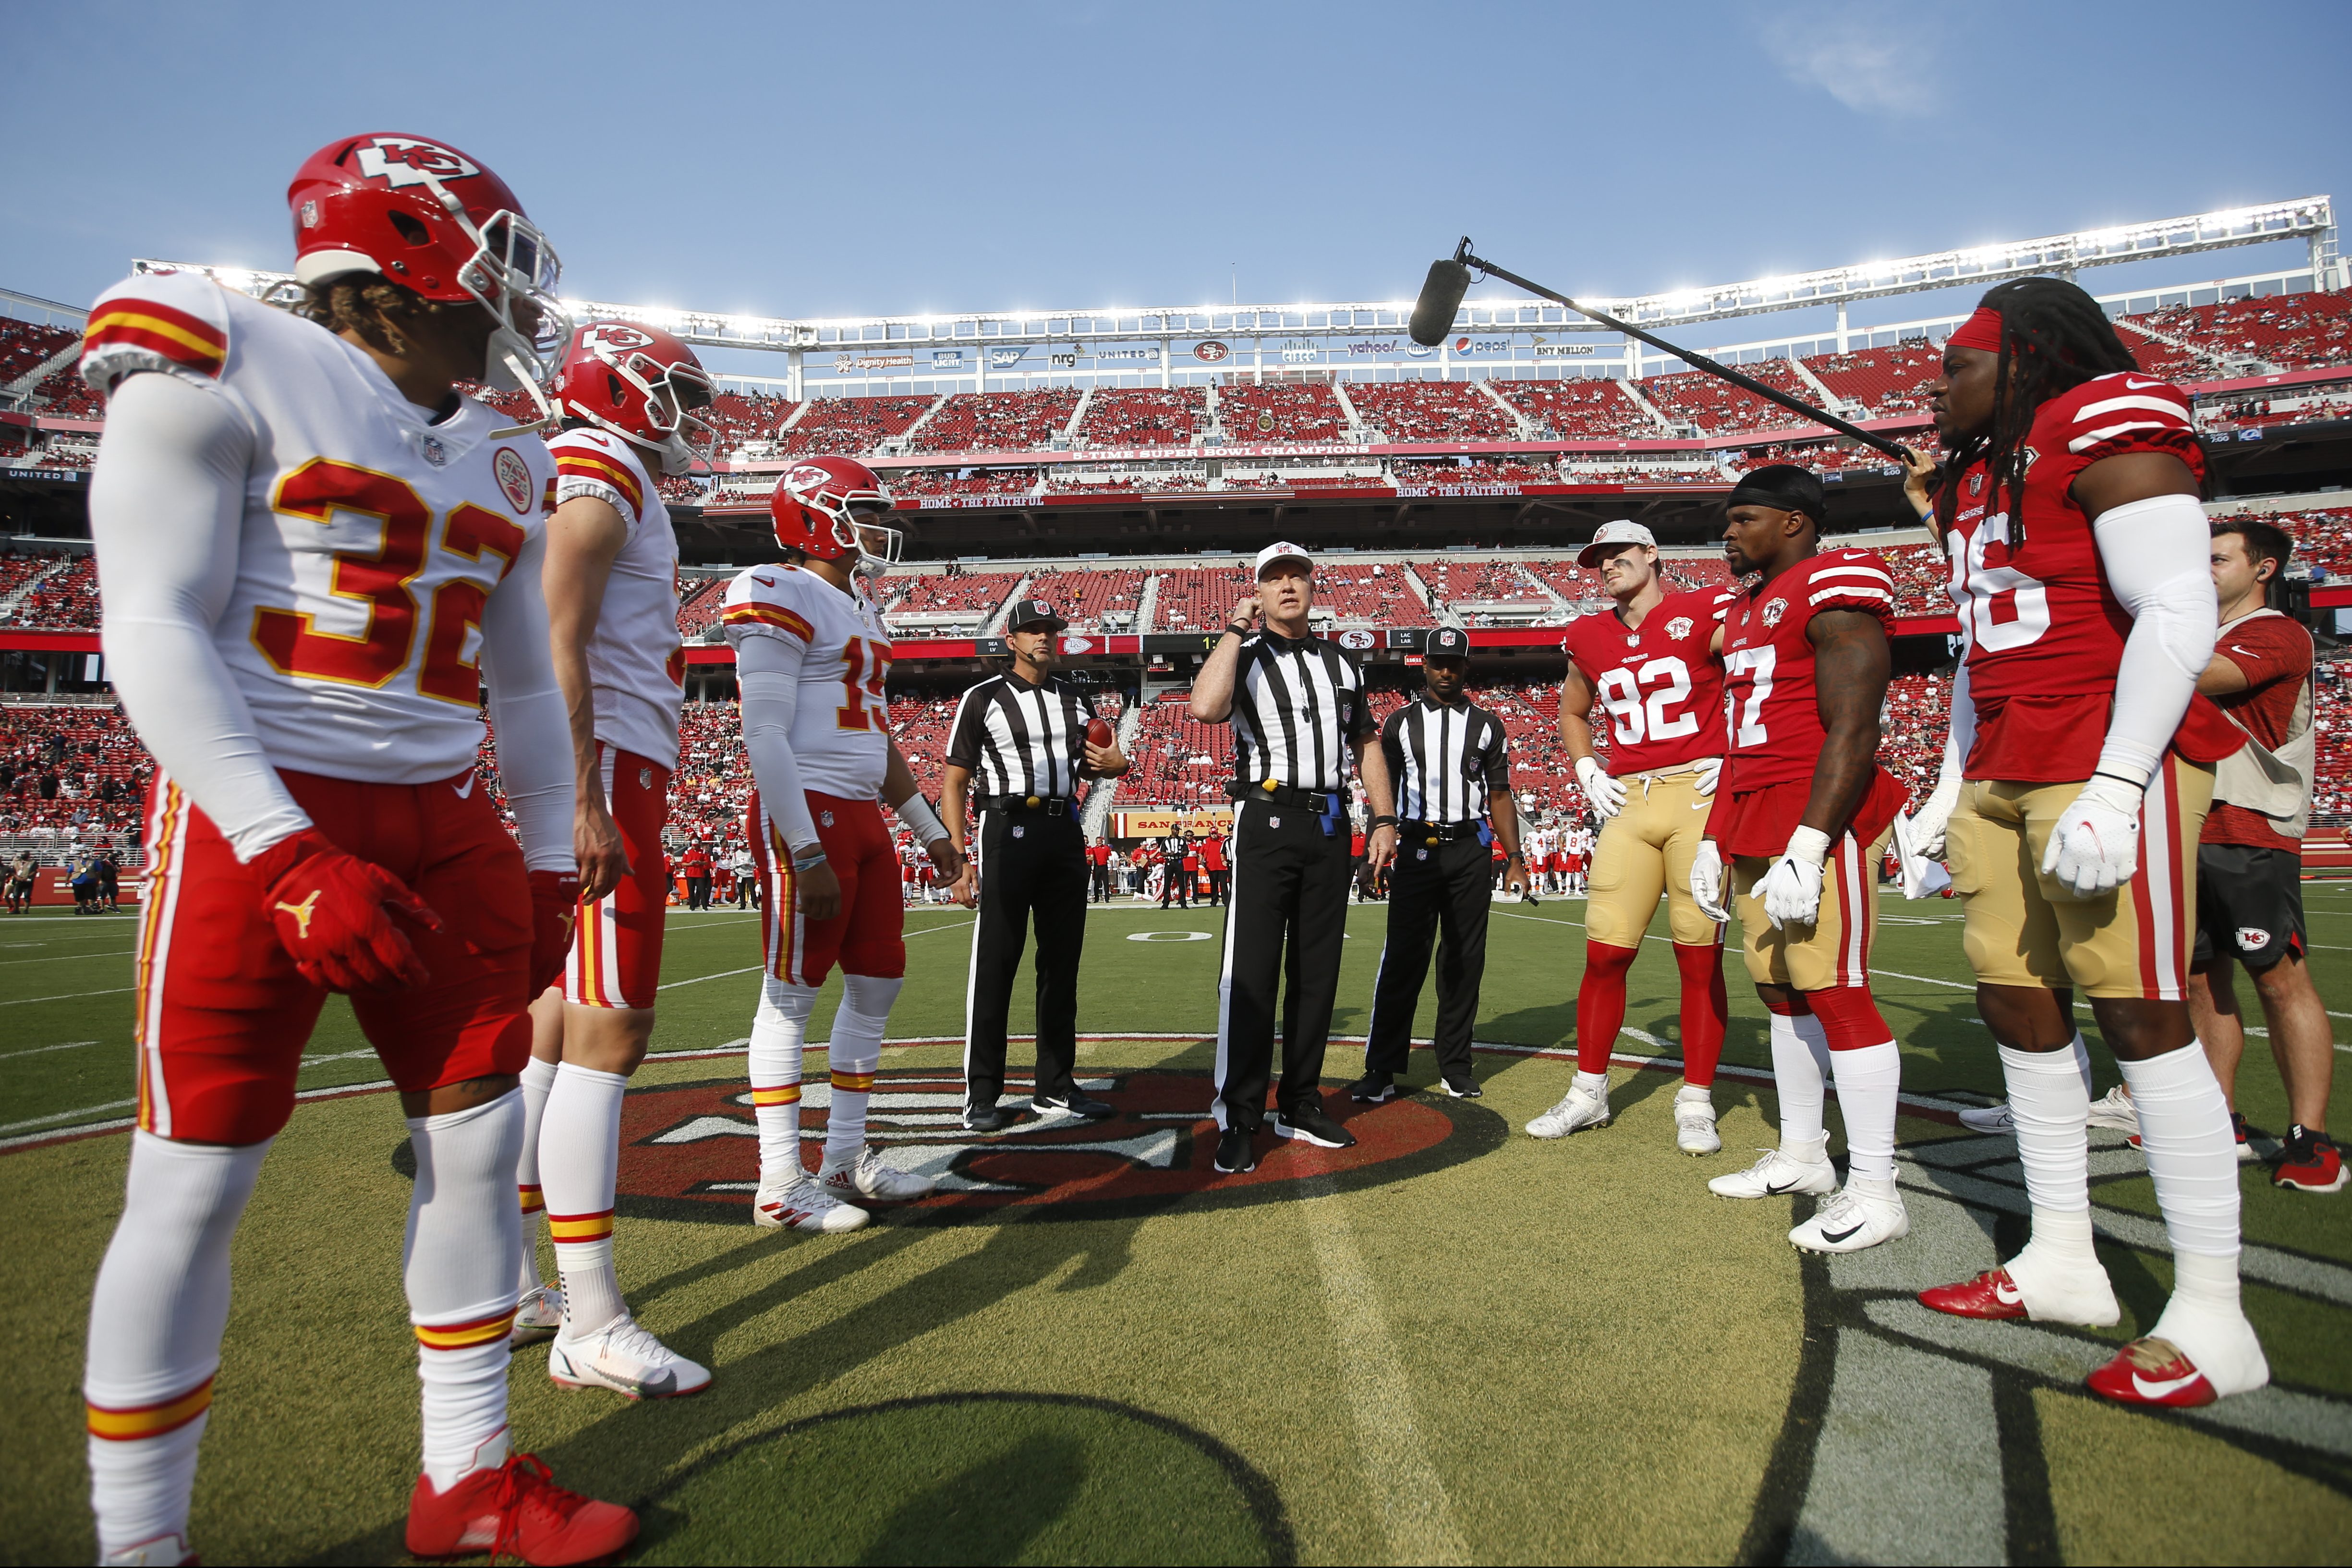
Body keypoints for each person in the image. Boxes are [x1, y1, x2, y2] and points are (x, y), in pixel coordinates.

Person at [75, 134, 631, 1565]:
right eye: (496, 263)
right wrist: (278, 847)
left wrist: (548, 846)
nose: (514, 302)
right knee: (194, 1176)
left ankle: (468, 1478)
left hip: (444, 815)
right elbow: (147, 616)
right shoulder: (217, 345)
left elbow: (519, 679)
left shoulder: (508, 449)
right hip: (262, 809)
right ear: (405, 254)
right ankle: (140, 1542)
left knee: (474, 1138)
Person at [1901, 280, 2268, 1408]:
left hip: (2099, 755)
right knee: (2012, 996)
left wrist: (2117, 780)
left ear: (2020, 361)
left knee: (2142, 1013)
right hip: (2005, 758)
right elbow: (1974, 649)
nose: (1932, 384)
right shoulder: (1978, 476)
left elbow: (2170, 603)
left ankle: (2214, 1314)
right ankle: (2060, 1256)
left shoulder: (2104, 415)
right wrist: (1943, 786)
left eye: (1954, 366)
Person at [509, 319, 716, 1401]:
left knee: (551, 1019)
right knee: (610, 1026)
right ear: (625, 388)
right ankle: (589, 1316)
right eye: (676, 392)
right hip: (606, 764)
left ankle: (508, 1278)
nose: (691, 416)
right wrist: (586, 793)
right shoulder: (602, 462)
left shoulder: (595, 463)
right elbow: (559, 621)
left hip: (595, 761)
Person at [729, 456, 966, 1232]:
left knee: (877, 982)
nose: (874, 525)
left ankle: (842, 1159)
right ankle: (776, 1182)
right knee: (791, 995)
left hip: (862, 812)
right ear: (814, 515)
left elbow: (877, 735)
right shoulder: (778, 589)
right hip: (812, 810)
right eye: (858, 510)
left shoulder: (858, 603)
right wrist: (801, 846)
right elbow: (762, 729)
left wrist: (928, 830)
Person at [1687, 465, 1912, 1253]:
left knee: (1836, 990)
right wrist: (1716, 837)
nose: (1728, 533)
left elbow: (1854, 726)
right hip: (1755, 809)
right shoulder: (1745, 606)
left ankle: (1877, 1190)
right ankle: (1803, 1154)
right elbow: (1736, 735)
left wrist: (1812, 843)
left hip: (1813, 809)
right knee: (1779, 990)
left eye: (1744, 518)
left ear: (1793, 522)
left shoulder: (1831, 582)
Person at [1189, 541, 1398, 1172]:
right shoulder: (1244, 654)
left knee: (1317, 973)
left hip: (1329, 824)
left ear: (1312, 586)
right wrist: (1233, 625)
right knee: (1251, 975)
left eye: (1297, 576)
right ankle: (1238, 1113)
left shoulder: (1342, 662)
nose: (1287, 586)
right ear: (1257, 588)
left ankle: (1301, 1100)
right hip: (1265, 817)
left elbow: (1365, 742)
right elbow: (1204, 707)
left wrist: (1382, 818)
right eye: (1273, 578)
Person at [1530, 520, 1736, 1154]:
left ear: (1652, 554)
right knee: (1605, 951)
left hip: (1699, 793)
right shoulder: (1588, 634)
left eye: (1619, 554)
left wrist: (1733, 766)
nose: (1607, 566)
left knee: (1697, 956)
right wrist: (1586, 764)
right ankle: (1589, 1090)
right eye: (1599, 560)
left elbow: (1755, 679)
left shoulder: (1705, 609)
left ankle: (1696, 1098)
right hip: (1630, 799)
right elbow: (1572, 708)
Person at [2186, 519, 2339, 1191]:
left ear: (2263, 570)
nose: (2203, 567)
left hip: (2247, 826)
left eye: (2217, 557)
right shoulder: (2202, 630)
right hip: (2185, 826)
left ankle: (2311, 1137)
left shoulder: (2275, 632)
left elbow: (2208, 676)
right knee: (2199, 980)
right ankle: (2217, 1116)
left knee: (2277, 978)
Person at [942, 598, 1129, 1129]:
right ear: (1011, 639)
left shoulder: (1075, 698)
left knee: (1060, 964)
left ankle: (1055, 1086)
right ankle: (982, 1094)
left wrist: (1120, 762)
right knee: (997, 962)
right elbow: (954, 779)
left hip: (1063, 829)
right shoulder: (984, 698)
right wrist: (957, 857)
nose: (1044, 637)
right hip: (1007, 827)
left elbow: (1108, 759)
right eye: (1033, 630)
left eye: (1050, 630)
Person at [1352, 626, 1525, 1102]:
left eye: (1454, 663)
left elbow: (1499, 793)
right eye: (1437, 662)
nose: (1445, 670)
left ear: (1464, 667)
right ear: (1423, 665)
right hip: (1415, 848)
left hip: (1469, 849)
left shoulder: (1488, 724)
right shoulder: (1399, 724)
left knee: (1463, 961)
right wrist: (1373, 848)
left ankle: (1455, 1064)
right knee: (1403, 960)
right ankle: (1381, 1068)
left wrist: (1514, 857)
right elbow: (1381, 794)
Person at [1157, 825, 1191, 908]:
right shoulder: (1166, 841)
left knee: (1182, 883)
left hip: (1179, 862)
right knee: (1167, 884)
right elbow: (1162, 852)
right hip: (1169, 862)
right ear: (1172, 830)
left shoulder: (1182, 840)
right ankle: (1165, 903)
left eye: (1178, 830)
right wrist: (1169, 854)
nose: (1177, 832)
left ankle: (1183, 902)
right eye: (1176, 830)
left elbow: (1186, 851)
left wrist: (1180, 854)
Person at [681, 839, 712, 910]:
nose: (695, 847)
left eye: (696, 846)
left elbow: (706, 862)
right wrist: (690, 864)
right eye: (694, 846)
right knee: (691, 890)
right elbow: (683, 863)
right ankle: (692, 906)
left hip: (700, 874)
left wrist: (699, 862)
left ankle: (704, 906)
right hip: (690, 874)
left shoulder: (703, 852)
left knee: (702, 890)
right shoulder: (687, 852)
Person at [1200, 828, 1228, 907]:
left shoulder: (1223, 840)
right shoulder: (1206, 841)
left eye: (1215, 833)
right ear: (1210, 834)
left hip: (1222, 867)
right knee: (1214, 885)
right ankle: (1214, 901)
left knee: (1223, 885)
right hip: (1211, 867)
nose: (1214, 835)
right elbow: (1201, 853)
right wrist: (1201, 861)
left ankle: (1226, 901)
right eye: (1212, 834)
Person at [1086, 835, 1114, 903]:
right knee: (1096, 883)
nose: (1099, 843)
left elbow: (1110, 858)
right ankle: (1096, 898)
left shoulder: (1106, 848)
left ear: (1102, 841)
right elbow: (1091, 858)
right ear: (1096, 842)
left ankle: (1107, 898)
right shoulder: (1094, 849)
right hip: (1097, 867)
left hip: (1104, 867)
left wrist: (1111, 867)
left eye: (1100, 841)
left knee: (1106, 883)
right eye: (1098, 842)